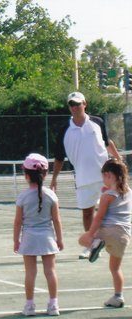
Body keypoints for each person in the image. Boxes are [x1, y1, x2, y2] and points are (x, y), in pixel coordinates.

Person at [50, 91, 121, 259]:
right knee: (87, 213)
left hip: (106, 176)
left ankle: (110, 240)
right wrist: (54, 179)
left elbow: (107, 142)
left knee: (112, 210)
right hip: (83, 178)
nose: (75, 107)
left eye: (78, 103)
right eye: (71, 104)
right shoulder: (64, 130)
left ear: (85, 104)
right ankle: (92, 244)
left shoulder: (97, 122)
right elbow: (59, 158)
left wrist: (118, 159)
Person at [14, 153, 63, 316]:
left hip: (29, 239)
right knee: (50, 272)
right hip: (47, 238)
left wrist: (16, 240)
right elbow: (57, 220)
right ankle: (53, 305)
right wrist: (60, 239)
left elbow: (18, 222)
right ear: (46, 174)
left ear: (26, 175)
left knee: (30, 273)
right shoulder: (52, 195)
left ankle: (29, 306)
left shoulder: (22, 197)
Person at [79, 158, 131, 308]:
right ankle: (118, 296)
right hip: (124, 235)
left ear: (108, 175)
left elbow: (99, 217)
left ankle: (95, 243)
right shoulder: (129, 192)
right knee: (115, 268)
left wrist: (90, 234)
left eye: (103, 176)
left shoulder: (107, 196)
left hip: (107, 230)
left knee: (82, 240)